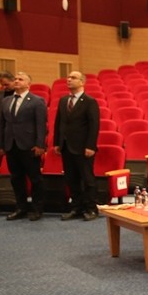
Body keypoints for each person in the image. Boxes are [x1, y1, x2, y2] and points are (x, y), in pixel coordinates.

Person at [0, 72, 47, 221]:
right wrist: (0, 144)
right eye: (16, 79)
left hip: (29, 145)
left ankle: (37, 209)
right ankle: (21, 207)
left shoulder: (37, 101)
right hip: (10, 145)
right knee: (16, 178)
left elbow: (41, 125)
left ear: (28, 84)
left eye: (21, 79)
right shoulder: (6, 101)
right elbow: (1, 124)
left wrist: (40, 145)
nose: (17, 81)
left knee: (35, 179)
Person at [54, 71, 100, 221]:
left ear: (82, 82)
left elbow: (94, 125)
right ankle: (76, 208)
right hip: (66, 146)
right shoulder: (63, 100)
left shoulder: (89, 101)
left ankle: (91, 209)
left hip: (83, 147)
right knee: (71, 179)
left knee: (87, 179)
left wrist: (91, 146)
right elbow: (59, 123)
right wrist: (57, 143)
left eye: (73, 78)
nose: (69, 80)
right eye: (68, 77)